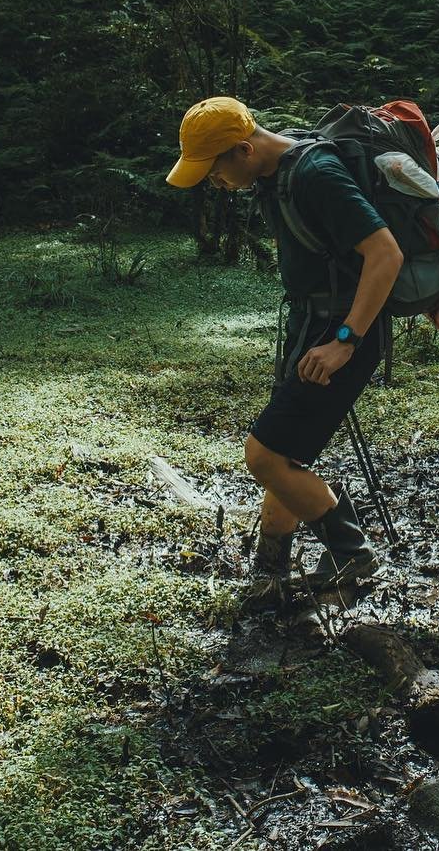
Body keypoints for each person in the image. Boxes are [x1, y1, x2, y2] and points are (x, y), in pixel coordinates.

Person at [166, 96, 404, 605]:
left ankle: (351, 550)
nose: (214, 183)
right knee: (285, 453)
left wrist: (344, 342)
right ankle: (270, 569)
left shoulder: (316, 173)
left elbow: (386, 254)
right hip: (311, 327)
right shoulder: (275, 171)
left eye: (213, 171)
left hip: (340, 334)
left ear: (244, 149)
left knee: (264, 455)